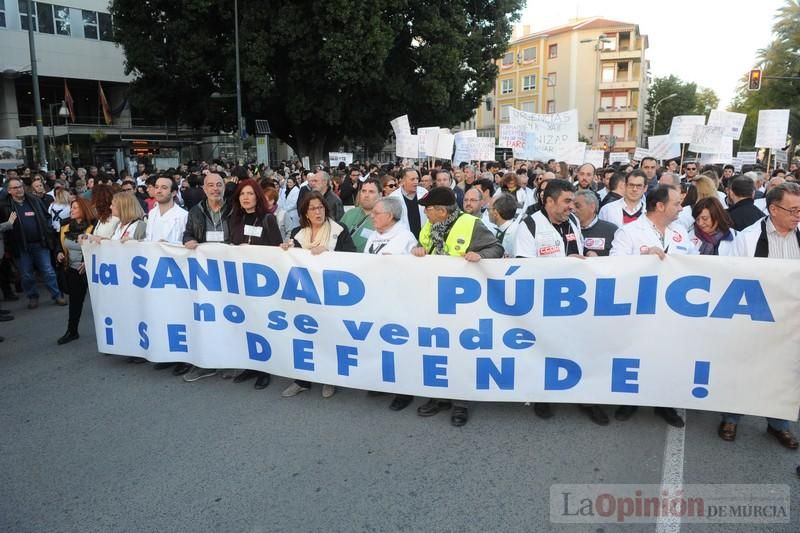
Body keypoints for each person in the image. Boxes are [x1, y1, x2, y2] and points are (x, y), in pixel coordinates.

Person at [411, 186, 503, 427]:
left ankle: (460, 402)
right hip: (435, 300)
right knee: (437, 352)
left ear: (442, 211)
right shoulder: (429, 226)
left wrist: (480, 256)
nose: (426, 214)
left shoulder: (471, 224)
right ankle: (438, 396)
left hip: (463, 304)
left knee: (460, 354)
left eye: (429, 210)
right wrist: (416, 251)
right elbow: (423, 249)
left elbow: (497, 248)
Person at [719, 182, 800, 449]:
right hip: (754, 317)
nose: (798, 214)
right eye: (793, 209)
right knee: (744, 369)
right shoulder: (749, 238)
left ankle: (778, 424)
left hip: (791, 322)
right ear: (773, 209)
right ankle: (731, 417)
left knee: (784, 375)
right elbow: (731, 277)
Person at [610, 185, 696, 428]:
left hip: (672, 309)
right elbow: (614, 265)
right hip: (638, 307)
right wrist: (644, 256)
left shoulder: (680, 232)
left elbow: (694, 262)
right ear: (660, 206)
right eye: (676, 204)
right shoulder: (629, 232)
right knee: (634, 354)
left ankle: (664, 404)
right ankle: (629, 401)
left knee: (666, 355)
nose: (681, 208)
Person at [280, 191, 357, 399]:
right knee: (304, 337)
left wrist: (330, 255)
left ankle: (329, 378)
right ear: (304, 213)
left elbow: (352, 259)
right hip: (304, 296)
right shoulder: (298, 233)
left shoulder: (339, 231)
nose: (318, 212)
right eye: (313, 208)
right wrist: (286, 249)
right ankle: (302, 380)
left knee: (328, 336)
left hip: (330, 296)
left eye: (321, 207)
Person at [363, 196, 418, 410]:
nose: (372, 216)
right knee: (379, 344)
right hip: (375, 300)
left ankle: (405, 391)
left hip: (398, 303)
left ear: (390, 216)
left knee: (399, 346)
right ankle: (384, 382)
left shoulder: (405, 237)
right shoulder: (374, 236)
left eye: (377, 213)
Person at [229, 179, 283, 390]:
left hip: (263, 284)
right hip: (241, 282)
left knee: (262, 325)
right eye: (242, 194)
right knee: (246, 325)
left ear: (257, 196)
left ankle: (265, 369)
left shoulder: (267, 219)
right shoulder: (235, 218)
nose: (245, 197)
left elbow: (277, 251)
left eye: (250, 193)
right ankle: (250, 365)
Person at [180, 173, 231, 380]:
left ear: (224, 187)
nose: (215, 189)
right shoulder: (195, 211)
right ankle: (208, 362)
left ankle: (231, 361)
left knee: (230, 318)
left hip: (230, 273)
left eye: (219, 185)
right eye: (210, 185)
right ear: (204, 188)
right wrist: (189, 240)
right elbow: (188, 233)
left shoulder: (233, 208)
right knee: (208, 319)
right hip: (206, 274)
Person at [0, 177, 66, 309]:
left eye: (20, 186)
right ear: (9, 191)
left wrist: (48, 233)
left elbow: (47, 217)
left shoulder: (34, 200)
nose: (19, 190)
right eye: (15, 188)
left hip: (40, 243)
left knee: (48, 271)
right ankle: (32, 297)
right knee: (26, 275)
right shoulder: (4, 206)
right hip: (20, 246)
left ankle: (57, 295)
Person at [55, 197, 96, 344]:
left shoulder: (94, 225)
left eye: (75, 208)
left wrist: (87, 261)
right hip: (73, 270)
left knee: (103, 303)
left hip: (93, 270)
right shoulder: (65, 225)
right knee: (75, 303)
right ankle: (72, 331)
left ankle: (110, 336)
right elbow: (58, 243)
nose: (71, 210)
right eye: (71, 207)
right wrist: (59, 252)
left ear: (84, 210)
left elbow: (100, 247)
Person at [339, 178, 380, 252]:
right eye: (363, 191)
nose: (366, 195)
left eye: (371, 192)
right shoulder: (349, 213)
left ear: (380, 195)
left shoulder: (385, 218)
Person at [146, 175, 189, 244]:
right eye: (156, 187)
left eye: (164, 188)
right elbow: (148, 239)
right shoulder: (152, 213)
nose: (159, 191)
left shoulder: (184, 216)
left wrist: (169, 244)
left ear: (173, 193)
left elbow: (188, 244)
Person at [574, 189, 618, 256]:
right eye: (572, 207)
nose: (573, 210)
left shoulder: (611, 230)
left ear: (592, 207)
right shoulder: (568, 230)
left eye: (577, 206)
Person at [390, 168, 428, 239]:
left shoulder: (424, 193)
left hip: (424, 238)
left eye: (417, 178)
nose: (416, 182)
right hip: (404, 239)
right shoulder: (393, 197)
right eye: (412, 179)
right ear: (403, 181)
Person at [488, 193, 520, 257]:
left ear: (495, 212)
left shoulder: (517, 233)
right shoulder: (497, 231)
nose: (488, 213)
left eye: (488, 209)